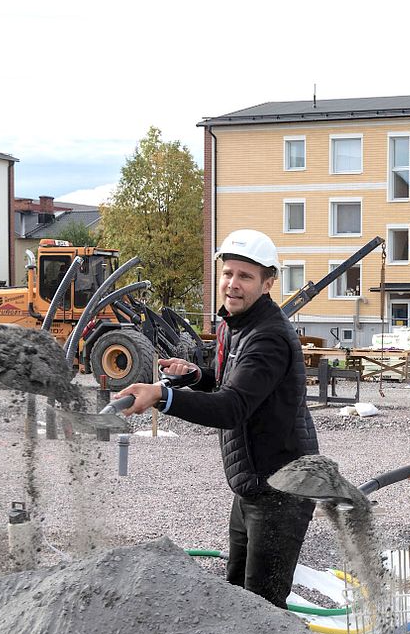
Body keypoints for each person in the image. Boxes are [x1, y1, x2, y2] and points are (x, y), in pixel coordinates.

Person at [118, 229, 317, 606]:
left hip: (282, 492)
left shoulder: (268, 338)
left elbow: (232, 408)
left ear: (268, 282)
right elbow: (231, 384)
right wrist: (195, 376)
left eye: (245, 276)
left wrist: (162, 395)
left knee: (262, 610)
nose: (233, 284)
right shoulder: (235, 325)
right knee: (236, 598)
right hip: (255, 486)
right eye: (228, 273)